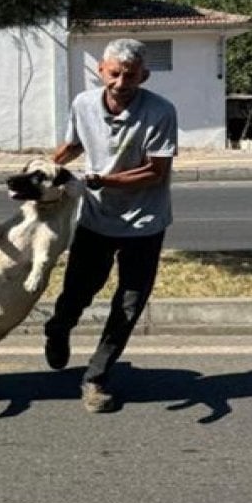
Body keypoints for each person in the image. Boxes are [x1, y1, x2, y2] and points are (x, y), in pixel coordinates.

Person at [43, 38, 178, 413]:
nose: (121, 83)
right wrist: (45, 169)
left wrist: (102, 180)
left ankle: (96, 378)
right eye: (114, 74)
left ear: (144, 76)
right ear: (100, 71)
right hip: (96, 219)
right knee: (77, 292)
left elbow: (155, 172)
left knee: (129, 304)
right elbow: (72, 146)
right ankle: (58, 327)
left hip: (145, 223)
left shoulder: (161, 111)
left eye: (130, 76)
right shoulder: (84, 104)